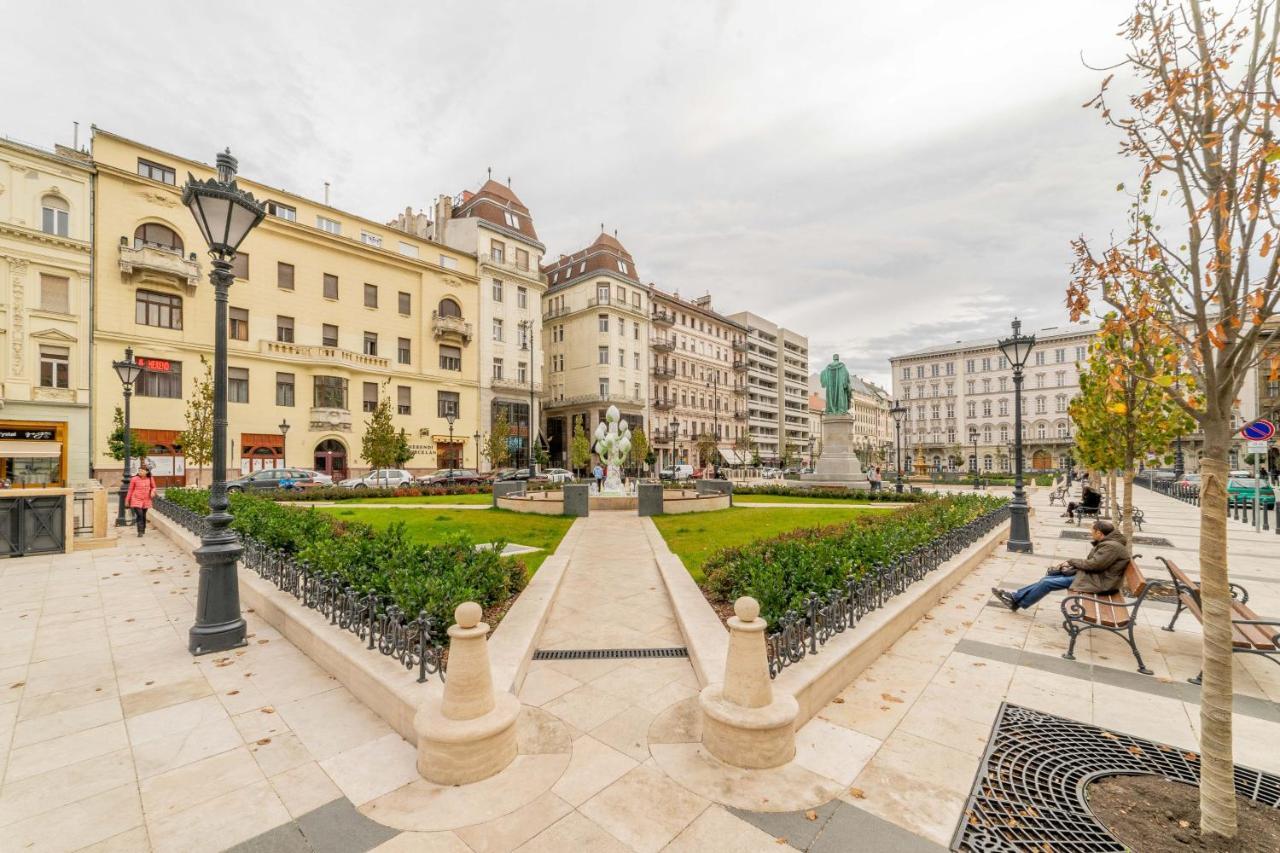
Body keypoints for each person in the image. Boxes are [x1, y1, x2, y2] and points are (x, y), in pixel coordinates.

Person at [992, 519, 1131, 612]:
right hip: (1096, 577)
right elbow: (1096, 564)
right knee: (1047, 579)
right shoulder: (1111, 543)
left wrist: (1072, 561)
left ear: (1100, 533)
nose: (1091, 534)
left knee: (1047, 583)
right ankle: (1015, 599)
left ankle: (1016, 601)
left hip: (1099, 582)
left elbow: (1095, 565)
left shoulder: (1111, 547)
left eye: (1092, 532)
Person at [125, 466, 157, 537]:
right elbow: (130, 490)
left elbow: (154, 487)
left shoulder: (150, 478)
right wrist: (127, 500)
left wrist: (152, 491)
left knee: (143, 514)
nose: (140, 472)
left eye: (142, 471)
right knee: (140, 515)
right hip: (136, 499)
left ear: (147, 472)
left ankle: (143, 529)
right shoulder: (134, 479)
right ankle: (140, 531)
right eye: (139, 471)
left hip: (146, 499)